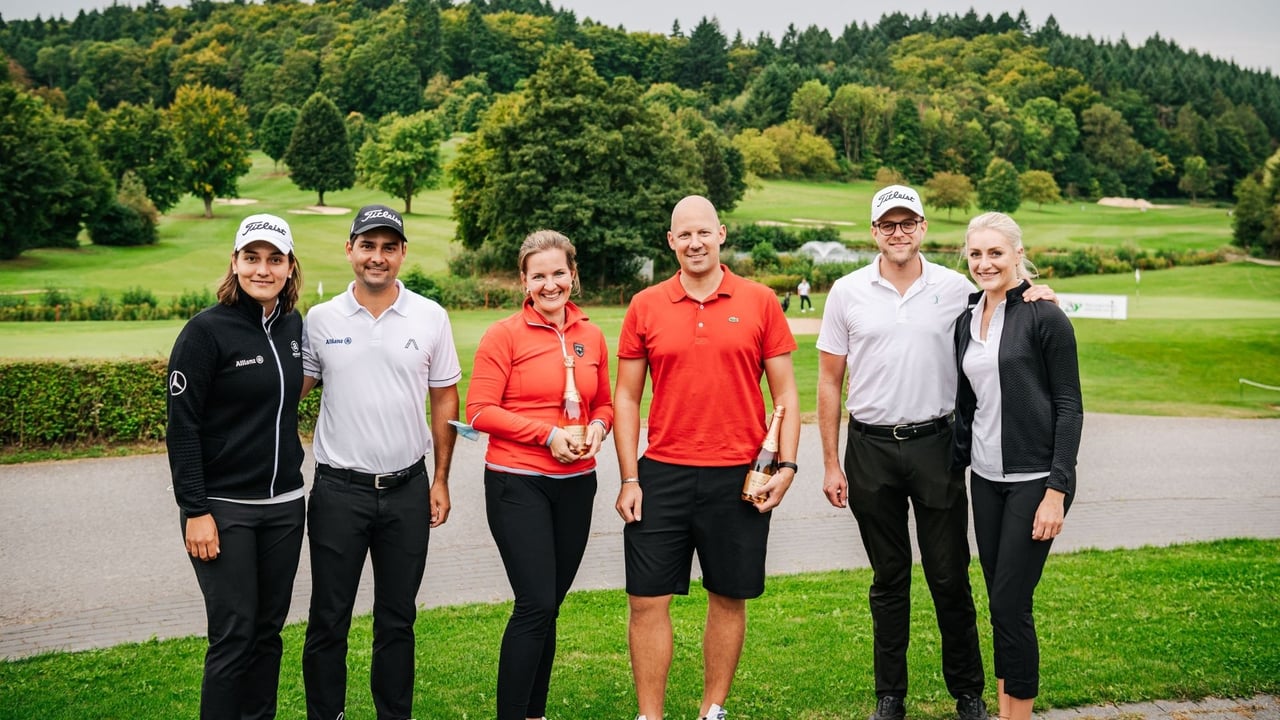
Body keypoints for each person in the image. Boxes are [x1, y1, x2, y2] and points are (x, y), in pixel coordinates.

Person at [816, 185, 1055, 720]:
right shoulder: (846, 291)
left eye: (908, 223)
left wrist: (1043, 292)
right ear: (874, 231)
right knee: (889, 577)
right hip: (870, 447)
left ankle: (967, 692)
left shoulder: (956, 288)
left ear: (923, 227)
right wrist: (831, 461)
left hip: (937, 446)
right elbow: (830, 382)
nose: (897, 233)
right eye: (887, 224)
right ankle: (890, 695)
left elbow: (1007, 301)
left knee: (949, 575)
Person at [614, 195, 800, 720]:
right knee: (646, 600)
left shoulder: (761, 300)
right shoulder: (645, 305)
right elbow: (627, 396)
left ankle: (711, 710)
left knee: (728, 595)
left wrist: (786, 468)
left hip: (740, 475)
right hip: (662, 473)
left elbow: (786, 395)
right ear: (670, 242)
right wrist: (629, 476)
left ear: (721, 233)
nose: (695, 243)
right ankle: (650, 715)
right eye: (683, 235)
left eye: (703, 233)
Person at [300, 204, 461, 720]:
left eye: (388, 247)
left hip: (406, 490)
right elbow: (288, 392)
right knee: (329, 619)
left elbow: (444, 401)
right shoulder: (320, 320)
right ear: (350, 250)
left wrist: (440, 479)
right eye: (367, 246)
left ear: (402, 253)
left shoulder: (430, 316)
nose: (378, 257)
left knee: (397, 619)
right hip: (338, 491)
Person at [465, 230, 615, 720]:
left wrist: (597, 426)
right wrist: (546, 435)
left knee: (549, 606)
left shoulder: (591, 336)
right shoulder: (503, 335)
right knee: (534, 604)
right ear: (523, 281)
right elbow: (480, 411)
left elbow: (606, 403)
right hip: (517, 481)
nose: (550, 284)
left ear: (573, 274)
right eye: (539, 276)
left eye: (558, 273)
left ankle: (534, 713)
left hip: (577, 484)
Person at [166, 213, 306, 719]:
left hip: (287, 506)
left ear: (290, 267)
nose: (262, 269)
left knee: (268, 635)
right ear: (235, 262)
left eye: (274, 259)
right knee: (234, 635)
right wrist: (194, 509)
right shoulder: (205, 332)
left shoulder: (293, 327)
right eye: (252, 258)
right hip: (224, 510)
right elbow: (182, 427)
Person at [953, 212, 1082, 720]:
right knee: (999, 603)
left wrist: (1057, 490)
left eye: (996, 253)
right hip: (984, 480)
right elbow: (968, 402)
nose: (985, 263)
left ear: (1017, 255)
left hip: (1034, 482)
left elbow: (1070, 406)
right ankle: (1008, 710)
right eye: (976, 253)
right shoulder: (967, 316)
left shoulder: (1044, 316)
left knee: (1010, 605)